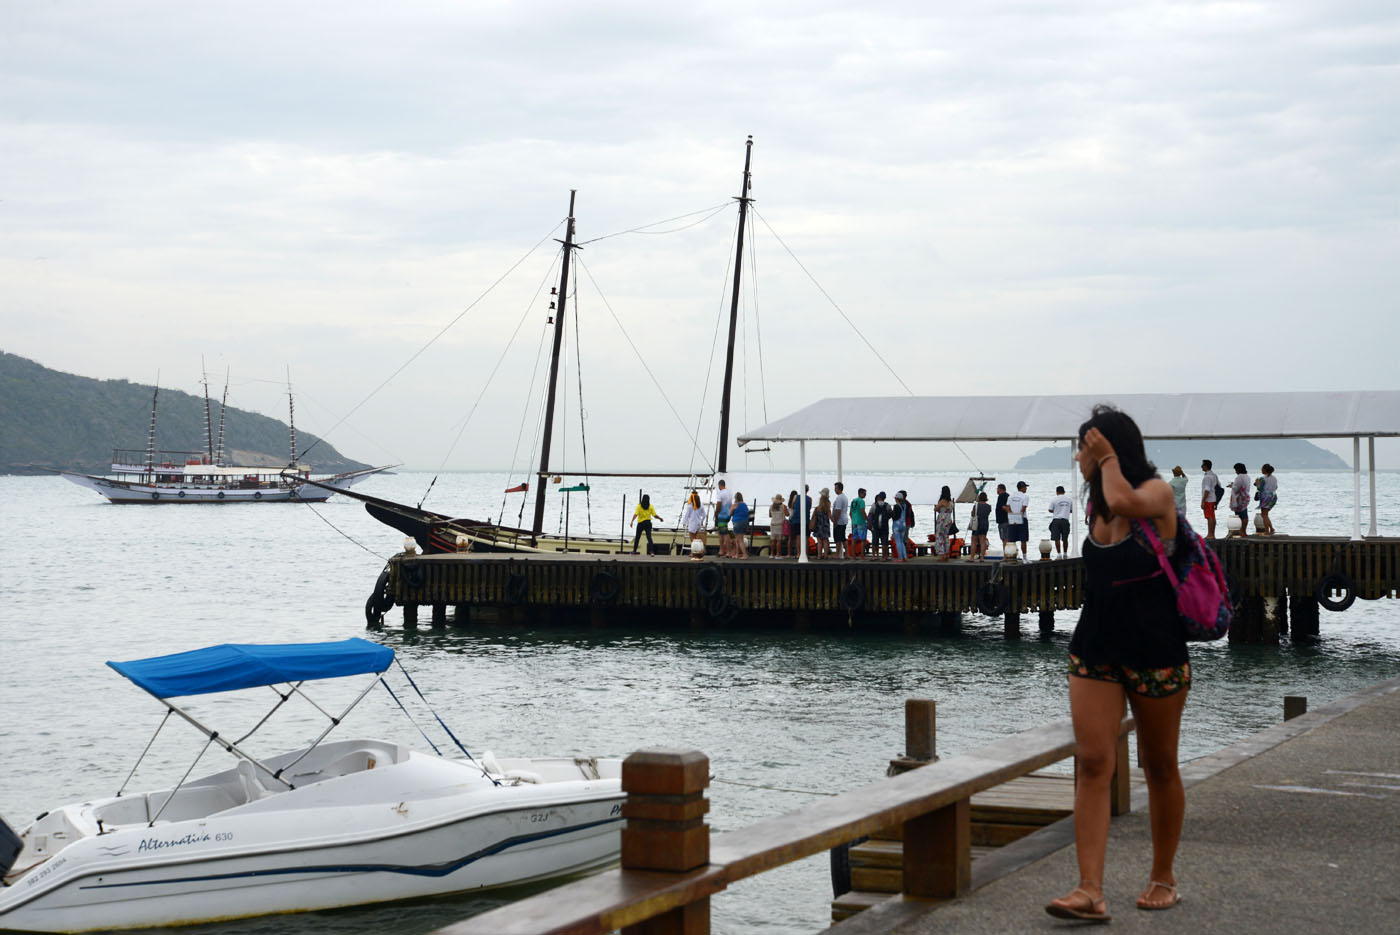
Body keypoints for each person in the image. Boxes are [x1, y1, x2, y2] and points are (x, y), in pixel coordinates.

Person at [1046, 405, 1189, 922]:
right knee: (1092, 761)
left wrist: (1106, 459)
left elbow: (1127, 499)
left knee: (1159, 764)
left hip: (1156, 650)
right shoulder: (1096, 508)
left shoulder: (1156, 494)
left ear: (1111, 448)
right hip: (1096, 647)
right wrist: (1103, 463)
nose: (1078, 457)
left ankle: (1163, 877)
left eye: (1084, 448)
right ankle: (1090, 890)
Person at [1048, 485, 1073, 557]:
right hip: (1065, 520)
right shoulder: (1069, 500)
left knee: (1057, 538)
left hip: (1056, 520)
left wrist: (1057, 510)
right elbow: (1072, 510)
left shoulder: (1054, 499)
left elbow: (1050, 510)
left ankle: (1059, 554)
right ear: (1064, 492)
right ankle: (1065, 553)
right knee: (1065, 538)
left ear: (1056, 492)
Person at [1006, 481, 1030, 558]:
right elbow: (1023, 509)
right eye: (1025, 487)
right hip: (1022, 519)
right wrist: (1018, 517)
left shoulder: (1010, 496)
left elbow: (1008, 508)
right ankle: (1024, 558)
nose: (1026, 488)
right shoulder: (1025, 497)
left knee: (1012, 539)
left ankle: (1012, 557)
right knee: (1023, 539)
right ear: (1022, 488)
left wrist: (1012, 517)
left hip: (1012, 519)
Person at [682, 490, 706, 557]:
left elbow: (687, 515)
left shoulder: (690, 506)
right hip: (698, 523)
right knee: (696, 539)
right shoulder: (701, 505)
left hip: (692, 523)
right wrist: (702, 521)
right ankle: (698, 551)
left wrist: (684, 522)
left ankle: (694, 552)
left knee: (692, 539)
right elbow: (704, 515)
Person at [1229, 463, 1251, 537]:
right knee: (1245, 515)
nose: (1235, 471)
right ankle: (1244, 531)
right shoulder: (1247, 477)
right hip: (1245, 497)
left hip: (1239, 499)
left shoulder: (1239, 477)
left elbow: (1236, 488)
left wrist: (1232, 485)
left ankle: (1242, 531)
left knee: (1240, 516)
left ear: (1238, 469)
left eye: (1236, 470)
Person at [1200, 460, 1220, 539]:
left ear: (1206, 466)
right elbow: (1218, 485)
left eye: (1202, 465)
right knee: (1212, 516)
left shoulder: (1207, 477)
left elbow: (1207, 490)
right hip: (1213, 498)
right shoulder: (1214, 475)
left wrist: (1203, 501)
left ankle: (1210, 535)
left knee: (1209, 517)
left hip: (1208, 499)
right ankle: (1212, 534)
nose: (1201, 466)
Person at [933, 485, 954, 561]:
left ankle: (942, 555)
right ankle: (947, 553)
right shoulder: (951, 502)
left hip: (942, 519)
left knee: (939, 536)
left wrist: (938, 507)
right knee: (946, 536)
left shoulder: (942, 501)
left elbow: (936, 509)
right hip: (948, 519)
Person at [869, 491, 892, 560]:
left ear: (879, 497)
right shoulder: (888, 505)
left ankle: (874, 556)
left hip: (876, 526)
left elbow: (870, 514)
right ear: (884, 498)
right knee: (884, 542)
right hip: (884, 526)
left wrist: (869, 523)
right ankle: (884, 557)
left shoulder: (874, 505)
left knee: (874, 542)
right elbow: (891, 514)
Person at [714, 479, 734, 556]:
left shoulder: (720, 494)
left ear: (719, 485)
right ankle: (721, 550)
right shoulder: (729, 492)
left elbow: (718, 504)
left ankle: (728, 552)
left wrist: (716, 513)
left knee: (725, 533)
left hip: (722, 515)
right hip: (728, 515)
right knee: (721, 533)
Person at [971, 491, 992, 561]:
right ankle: (982, 557)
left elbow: (973, 514)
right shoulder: (989, 506)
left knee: (974, 541)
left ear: (979, 498)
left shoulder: (976, 505)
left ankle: (972, 558)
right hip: (985, 523)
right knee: (982, 541)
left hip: (977, 524)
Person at [831, 482, 850, 558]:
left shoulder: (839, 498)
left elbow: (838, 510)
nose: (834, 490)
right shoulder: (844, 497)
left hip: (839, 520)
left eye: (835, 488)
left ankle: (837, 554)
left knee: (838, 538)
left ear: (839, 488)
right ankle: (847, 553)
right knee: (842, 537)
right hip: (844, 519)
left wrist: (835, 521)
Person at [1257, 464, 1277, 535]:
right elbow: (1276, 487)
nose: (1261, 470)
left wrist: (1257, 483)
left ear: (1265, 470)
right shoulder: (1274, 478)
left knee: (1264, 515)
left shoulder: (1262, 478)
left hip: (1266, 497)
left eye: (1262, 469)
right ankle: (1271, 529)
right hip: (1273, 496)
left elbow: (1260, 488)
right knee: (1265, 514)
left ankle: (1267, 531)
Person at [812, 488, 832, 558]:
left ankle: (819, 555)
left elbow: (815, 515)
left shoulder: (819, 507)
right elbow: (829, 515)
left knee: (819, 541)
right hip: (825, 524)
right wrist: (834, 520)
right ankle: (826, 555)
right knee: (825, 540)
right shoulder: (828, 503)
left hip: (819, 524)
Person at [890, 490, 910, 562]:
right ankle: (905, 557)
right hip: (903, 525)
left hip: (897, 525)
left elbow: (895, 516)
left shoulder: (896, 506)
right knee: (902, 542)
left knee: (898, 542)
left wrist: (891, 514)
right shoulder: (905, 506)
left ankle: (900, 557)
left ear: (897, 499)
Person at [850, 487, 868, 558]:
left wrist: (853, 519)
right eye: (864, 493)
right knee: (863, 539)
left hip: (854, 522)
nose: (865, 495)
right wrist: (867, 520)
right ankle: (862, 555)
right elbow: (862, 511)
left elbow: (850, 513)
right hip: (861, 522)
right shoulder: (861, 501)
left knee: (854, 539)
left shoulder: (853, 501)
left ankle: (853, 555)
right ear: (860, 493)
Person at [730, 493, 750, 559]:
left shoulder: (735, 505)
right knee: (737, 540)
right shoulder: (745, 505)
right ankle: (737, 554)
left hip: (737, 523)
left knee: (740, 540)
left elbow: (730, 513)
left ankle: (744, 555)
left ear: (735, 498)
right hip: (745, 523)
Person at [995, 483, 1011, 550]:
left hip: (1003, 520)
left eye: (997, 489)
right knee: (1007, 538)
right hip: (1007, 520)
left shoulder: (1001, 496)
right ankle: (1009, 552)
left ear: (1000, 489)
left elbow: (1003, 507)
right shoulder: (1008, 496)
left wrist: (1009, 512)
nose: (997, 490)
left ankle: (1006, 553)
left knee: (1004, 539)